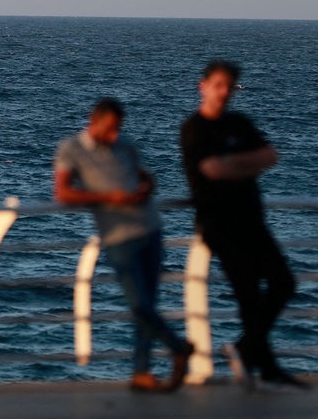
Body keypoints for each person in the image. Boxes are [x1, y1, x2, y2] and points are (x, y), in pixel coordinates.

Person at [180, 60, 307, 390]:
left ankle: (247, 351)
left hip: (253, 220)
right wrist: (245, 164)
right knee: (249, 296)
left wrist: (231, 163)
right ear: (203, 86)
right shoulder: (195, 128)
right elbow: (211, 170)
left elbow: (270, 157)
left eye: (229, 86)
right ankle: (264, 367)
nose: (224, 92)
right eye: (218, 84)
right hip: (220, 225)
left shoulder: (239, 123)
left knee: (284, 282)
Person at [54, 98, 193, 392]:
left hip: (150, 229)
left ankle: (141, 372)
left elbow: (144, 177)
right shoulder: (72, 149)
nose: (115, 135)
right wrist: (108, 198)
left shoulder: (125, 144)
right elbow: (63, 193)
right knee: (139, 305)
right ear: (94, 120)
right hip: (118, 237)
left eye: (118, 129)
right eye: (110, 129)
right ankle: (178, 346)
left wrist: (145, 188)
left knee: (149, 304)